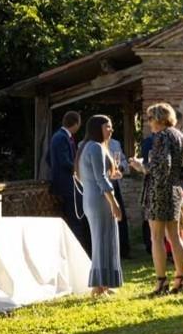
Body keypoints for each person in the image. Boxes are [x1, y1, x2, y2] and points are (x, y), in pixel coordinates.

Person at [141, 103, 183, 295]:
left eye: (149, 119)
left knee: (156, 237)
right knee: (175, 236)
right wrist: (177, 181)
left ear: (157, 119)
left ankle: (161, 282)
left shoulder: (162, 137)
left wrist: (144, 168)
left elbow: (162, 165)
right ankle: (181, 278)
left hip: (159, 190)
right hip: (175, 189)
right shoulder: (180, 136)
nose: (148, 123)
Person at [77, 115, 122, 297]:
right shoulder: (95, 147)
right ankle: (97, 286)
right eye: (107, 127)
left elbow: (83, 176)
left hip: (91, 198)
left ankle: (103, 284)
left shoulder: (87, 147)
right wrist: (115, 203)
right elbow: (100, 178)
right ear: (98, 128)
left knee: (103, 240)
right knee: (102, 241)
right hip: (99, 201)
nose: (111, 130)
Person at [47, 110, 88, 250]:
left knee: (72, 218)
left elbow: (48, 158)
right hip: (67, 185)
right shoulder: (62, 137)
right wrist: (80, 169)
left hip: (63, 182)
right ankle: (78, 249)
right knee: (75, 218)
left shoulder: (59, 136)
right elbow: (65, 162)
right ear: (75, 123)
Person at [107, 134, 132, 260]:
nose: (111, 130)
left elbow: (123, 160)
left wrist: (121, 167)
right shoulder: (90, 144)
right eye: (108, 127)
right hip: (100, 186)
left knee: (120, 216)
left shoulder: (115, 143)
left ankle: (123, 250)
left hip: (115, 183)